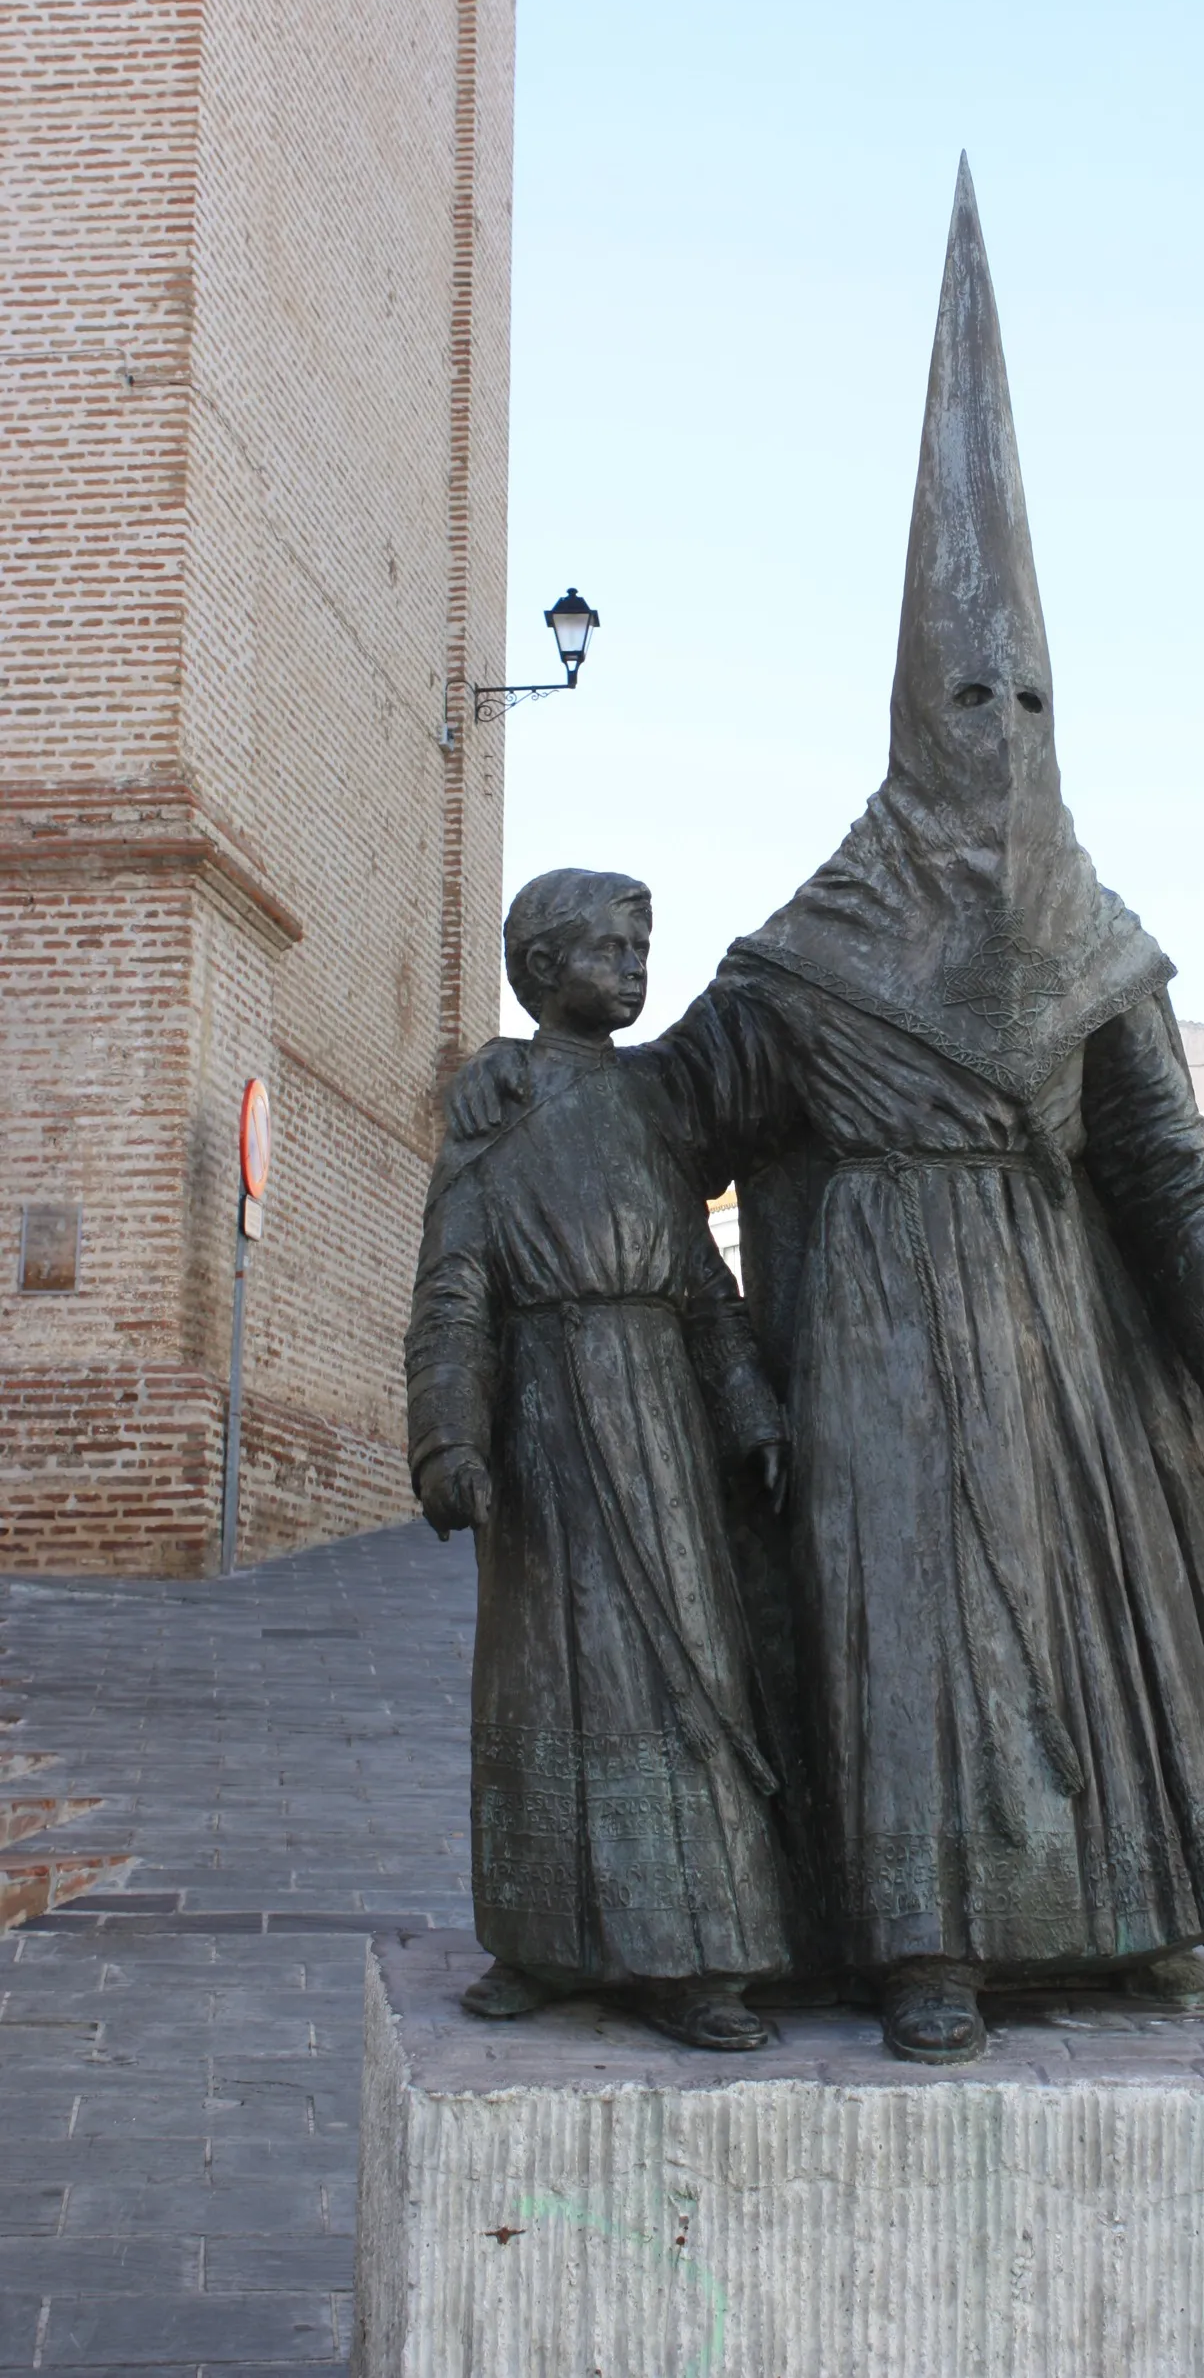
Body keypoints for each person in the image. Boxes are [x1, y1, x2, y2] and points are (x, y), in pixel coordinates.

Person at [452, 162, 1204, 2065]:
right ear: (917, 704)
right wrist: (534, 1083)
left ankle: (1115, 1917)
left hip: (1057, 1360)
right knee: (910, 1636)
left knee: (1087, 1635)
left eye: (1027, 692)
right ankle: (921, 1943)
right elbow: (668, 1125)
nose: (999, 722)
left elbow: (1156, 1163)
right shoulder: (809, 954)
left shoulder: (1099, 940)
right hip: (878, 1352)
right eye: (968, 687)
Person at [407, 869, 791, 2049]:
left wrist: (748, 1410)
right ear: (536, 969)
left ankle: (699, 1954)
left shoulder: (646, 1108)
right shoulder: (497, 1110)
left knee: (686, 1677)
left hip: (658, 1423)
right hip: (545, 1423)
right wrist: (451, 1439)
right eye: (609, 948)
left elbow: (701, 1281)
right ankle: (542, 1939)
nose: (633, 966)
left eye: (641, 946)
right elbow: (455, 1291)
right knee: (545, 1681)